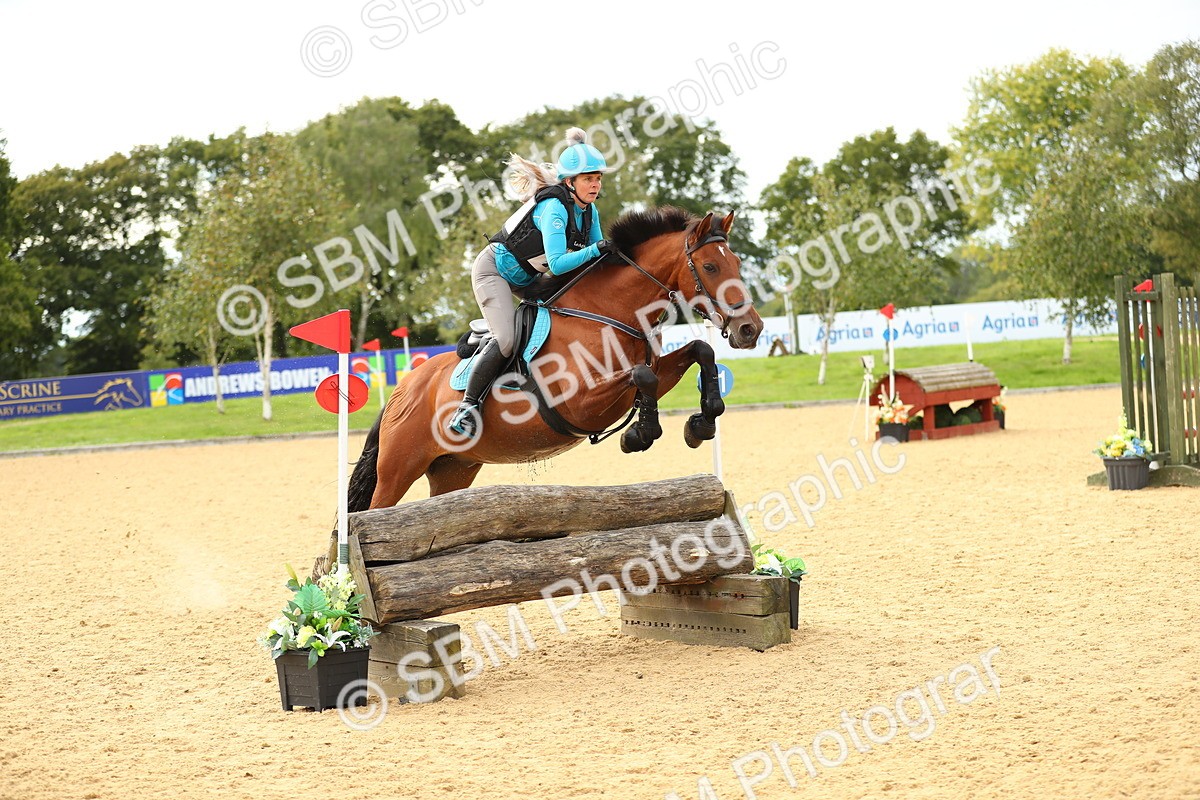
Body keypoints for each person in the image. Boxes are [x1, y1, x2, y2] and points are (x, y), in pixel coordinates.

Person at [447, 127, 618, 437]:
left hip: (530, 279)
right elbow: (557, 263)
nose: (595, 184)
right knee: (507, 340)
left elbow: (596, 260)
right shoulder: (554, 208)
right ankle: (468, 406)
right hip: (493, 272)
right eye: (588, 179)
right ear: (570, 182)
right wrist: (597, 249)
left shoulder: (589, 211)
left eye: (598, 178)